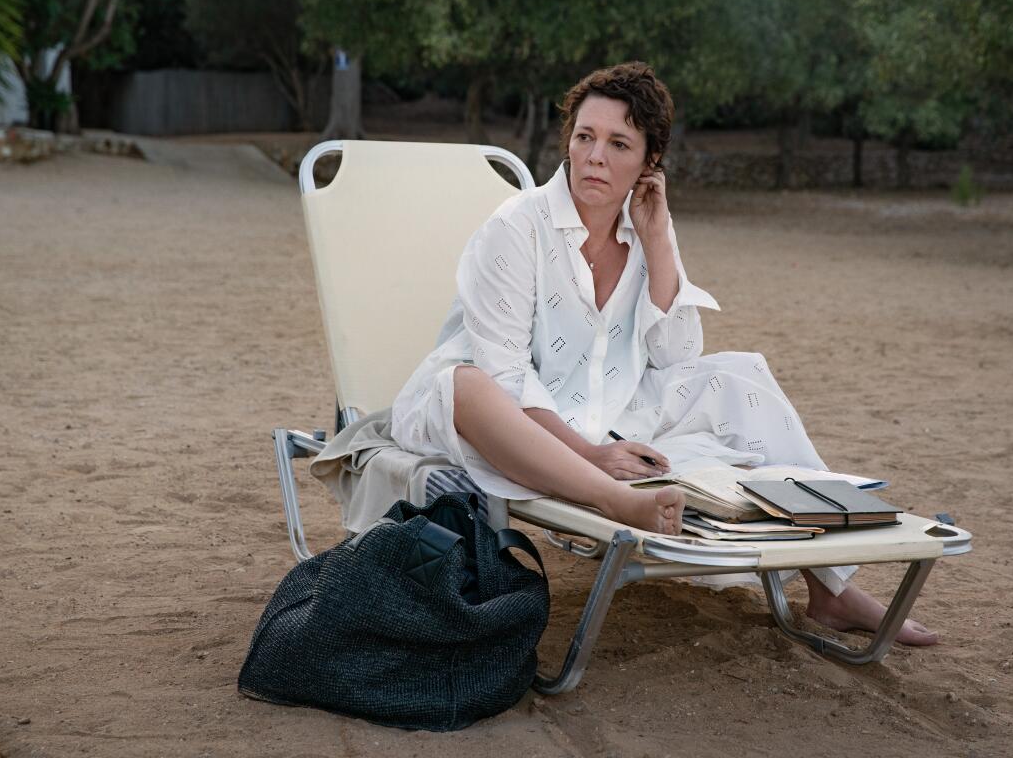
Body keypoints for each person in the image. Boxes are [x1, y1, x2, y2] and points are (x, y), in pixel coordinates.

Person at [392, 62, 937, 646]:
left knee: (735, 374)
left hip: (607, 407)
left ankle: (830, 590)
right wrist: (595, 457)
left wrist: (656, 240)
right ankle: (615, 500)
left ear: (649, 162)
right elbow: (505, 376)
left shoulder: (646, 223)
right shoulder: (515, 229)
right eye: (585, 136)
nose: (595, 156)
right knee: (467, 383)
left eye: (618, 143)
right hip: (495, 417)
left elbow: (678, 353)